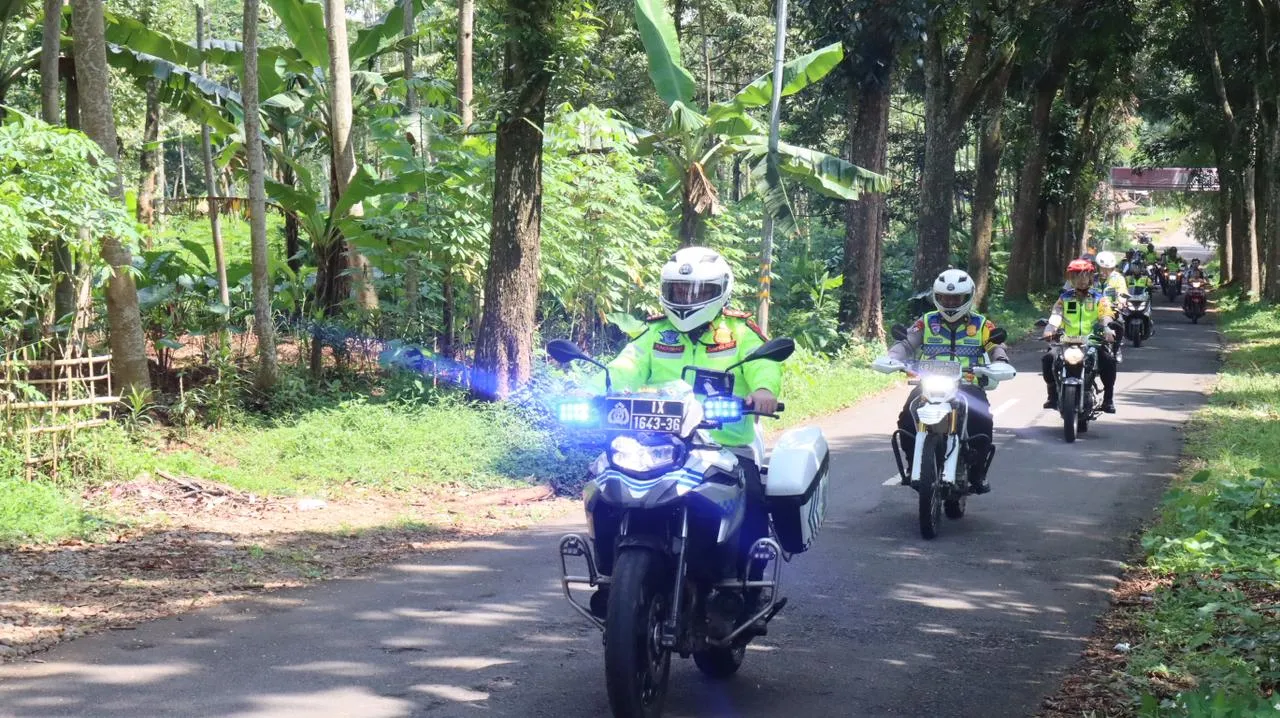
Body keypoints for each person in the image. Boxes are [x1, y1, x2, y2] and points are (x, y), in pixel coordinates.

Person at [589, 246, 779, 618]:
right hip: (653, 442)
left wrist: (763, 392)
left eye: (697, 292)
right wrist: (593, 386)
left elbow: (765, 363)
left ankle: (742, 590)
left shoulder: (740, 332)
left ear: (720, 291)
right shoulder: (654, 333)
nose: (687, 300)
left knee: (754, 499)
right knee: (604, 483)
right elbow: (624, 366)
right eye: (678, 291)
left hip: (723, 443)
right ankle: (611, 580)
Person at [881, 269, 1012, 494]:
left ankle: (977, 474)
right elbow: (907, 343)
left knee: (983, 421)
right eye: (945, 297)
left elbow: (995, 346)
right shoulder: (926, 322)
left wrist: (1000, 361)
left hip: (968, 384)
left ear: (967, 297)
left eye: (956, 298)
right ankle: (915, 466)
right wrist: (892, 358)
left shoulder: (981, 325)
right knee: (906, 418)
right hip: (929, 384)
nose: (950, 302)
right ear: (937, 297)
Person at [1042, 259, 1119, 413]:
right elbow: (1056, 314)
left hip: (1092, 341)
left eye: (1085, 276)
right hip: (1066, 341)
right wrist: (1050, 328)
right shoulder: (1064, 298)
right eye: (1077, 276)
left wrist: (1107, 329)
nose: (1082, 280)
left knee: (1109, 360)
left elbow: (1106, 315)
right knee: (1048, 359)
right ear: (1071, 278)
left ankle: (1108, 399)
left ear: (1091, 277)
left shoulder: (1099, 298)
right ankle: (1052, 396)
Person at [1094, 251, 1128, 359]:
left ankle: (1116, 348)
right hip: (1091, 308)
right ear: (1097, 267)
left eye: (1109, 269)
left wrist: (1121, 301)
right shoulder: (1091, 278)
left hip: (1111, 309)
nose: (1106, 271)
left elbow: (1122, 292)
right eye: (1102, 268)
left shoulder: (1118, 278)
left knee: (1120, 322)